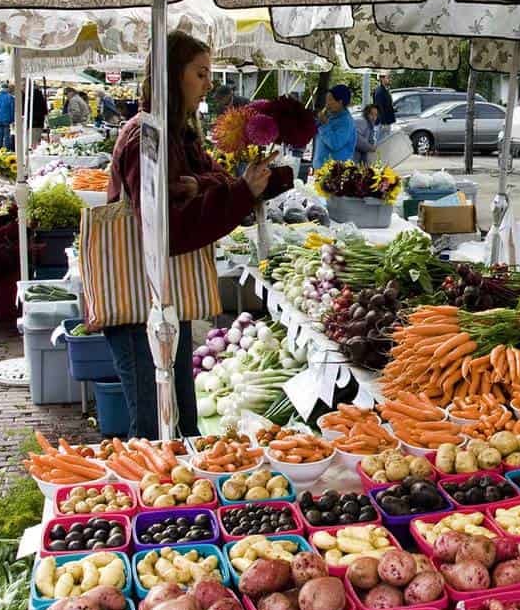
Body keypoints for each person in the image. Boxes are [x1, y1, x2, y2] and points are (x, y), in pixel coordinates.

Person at [104, 30, 294, 439]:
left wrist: (239, 183)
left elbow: (215, 177)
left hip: (164, 297)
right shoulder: (146, 138)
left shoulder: (178, 135)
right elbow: (168, 232)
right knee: (157, 428)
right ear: (173, 76)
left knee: (183, 423)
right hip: (138, 302)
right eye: (201, 73)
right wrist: (235, 191)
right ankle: (157, 504)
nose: (210, 83)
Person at [312, 84, 357, 169]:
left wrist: (325, 125)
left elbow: (335, 144)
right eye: (326, 100)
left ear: (340, 102)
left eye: (330, 100)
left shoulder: (346, 122)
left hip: (335, 173)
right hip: (322, 170)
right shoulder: (330, 116)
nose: (327, 104)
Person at [0, 83, 15, 151]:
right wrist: (12, 120)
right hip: (7, 119)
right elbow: (12, 109)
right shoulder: (10, 98)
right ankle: (7, 151)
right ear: (7, 89)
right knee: (7, 136)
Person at [373, 72, 396, 139]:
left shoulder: (385, 90)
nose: (390, 79)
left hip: (386, 122)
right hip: (383, 123)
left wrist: (392, 109)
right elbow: (379, 107)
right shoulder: (380, 91)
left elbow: (386, 105)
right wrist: (383, 122)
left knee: (385, 143)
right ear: (382, 79)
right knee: (381, 143)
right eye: (388, 77)